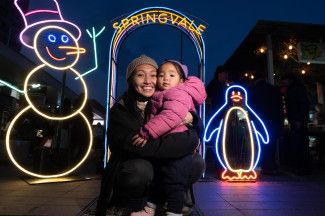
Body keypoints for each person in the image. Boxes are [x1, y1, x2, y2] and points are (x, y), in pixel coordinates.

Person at [96, 55, 205, 216]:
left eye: (153, 75)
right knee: (141, 169)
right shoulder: (121, 109)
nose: (148, 81)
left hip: (161, 161)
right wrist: (189, 141)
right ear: (130, 80)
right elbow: (135, 146)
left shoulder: (168, 99)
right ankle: (126, 203)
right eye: (140, 75)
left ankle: (167, 200)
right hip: (135, 164)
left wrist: (193, 118)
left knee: (195, 163)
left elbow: (197, 128)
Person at [131, 60, 206, 216]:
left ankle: (174, 210)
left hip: (177, 141)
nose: (165, 78)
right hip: (167, 141)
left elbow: (170, 116)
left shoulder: (177, 93)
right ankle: (151, 207)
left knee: (175, 179)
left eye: (171, 75)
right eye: (161, 75)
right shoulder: (161, 94)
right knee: (160, 175)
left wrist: (147, 131)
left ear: (181, 81)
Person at [281, 73, 310, 175]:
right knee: (299, 143)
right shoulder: (296, 89)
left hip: (297, 120)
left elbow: (301, 105)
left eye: (285, 80)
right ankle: (301, 166)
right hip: (297, 120)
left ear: (290, 80)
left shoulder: (295, 90)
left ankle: (301, 167)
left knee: (299, 143)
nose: (283, 82)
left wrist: (298, 120)